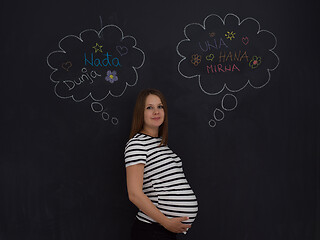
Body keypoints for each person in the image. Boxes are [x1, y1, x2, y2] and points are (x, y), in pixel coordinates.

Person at [124, 89, 198, 240]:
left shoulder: (161, 145)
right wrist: (166, 222)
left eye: (160, 106)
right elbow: (134, 194)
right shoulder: (137, 144)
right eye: (149, 107)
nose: (156, 111)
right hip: (153, 230)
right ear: (141, 113)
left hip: (163, 231)